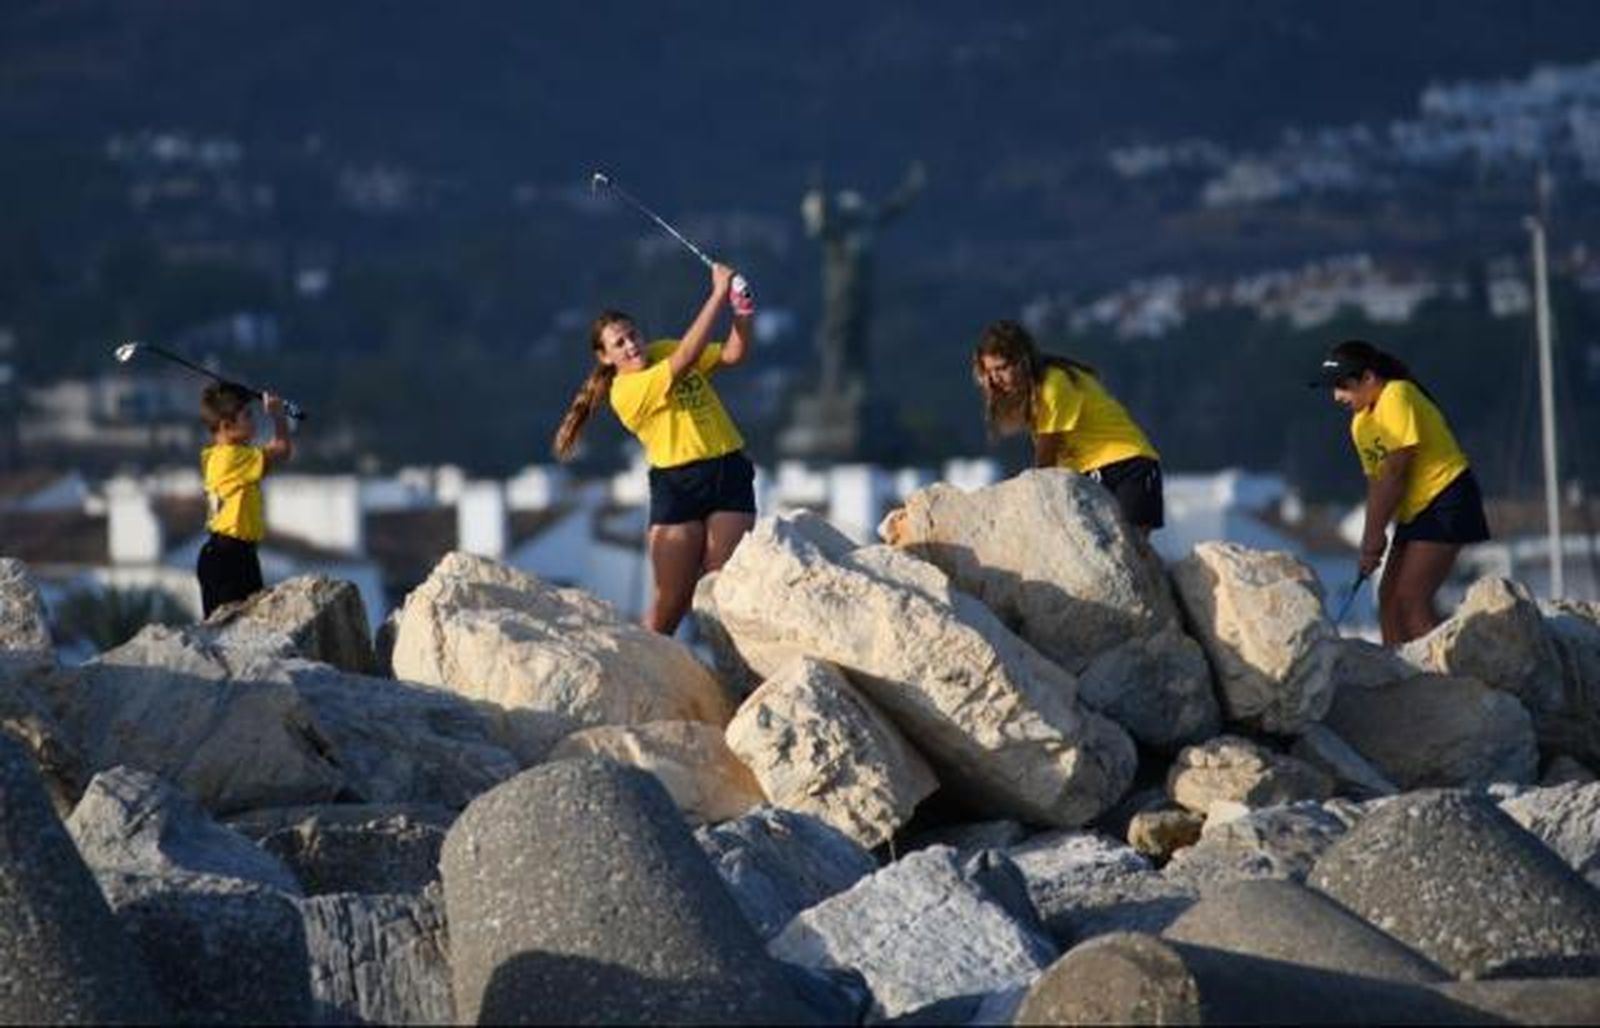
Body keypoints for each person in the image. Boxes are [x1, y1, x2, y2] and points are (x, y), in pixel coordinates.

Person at [553, 262, 757, 635]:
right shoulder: (625, 391)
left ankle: (732, 683)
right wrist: (715, 295)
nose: (631, 345)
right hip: (677, 486)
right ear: (605, 357)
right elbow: (684, 361)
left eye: (633, 334)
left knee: (724, 593)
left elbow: (731, 354)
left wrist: (741, 312)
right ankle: (637, 682)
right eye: (619, 343)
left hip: (729, 472)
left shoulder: (662, 348)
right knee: (670, 607)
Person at [1310, 339, 1490, 645]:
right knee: (1389, 603)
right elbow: (1377, 483)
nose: (1337, 396)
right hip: (1416, 511)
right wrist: (1372, 539)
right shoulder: (1359, 425)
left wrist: (1373, 539)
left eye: (1343, 385)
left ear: (1368, 378)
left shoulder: (1397, 394)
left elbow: (1395, 472)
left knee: (1411, 601)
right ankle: (1404, 679)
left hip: (1447, 498)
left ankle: (1449, 679)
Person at [972, 319, 1164, 538]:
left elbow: (1047, 456)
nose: (996, 378)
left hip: (1129, 465)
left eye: (1002, 368)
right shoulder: (1035, 390)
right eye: (990, 371)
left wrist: (1030, 499)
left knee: (1133, 547)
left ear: (1022, 360)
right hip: (1089, 473)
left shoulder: (1054, 384)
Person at [197, 382, 293, 617]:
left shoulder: (223, 455)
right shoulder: (233, 458)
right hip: (228, 558)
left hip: (235, 555)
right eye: (247, 416)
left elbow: (270, 451)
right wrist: (279, 418)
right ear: (226, 426)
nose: (254, 421)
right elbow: (281, 449)